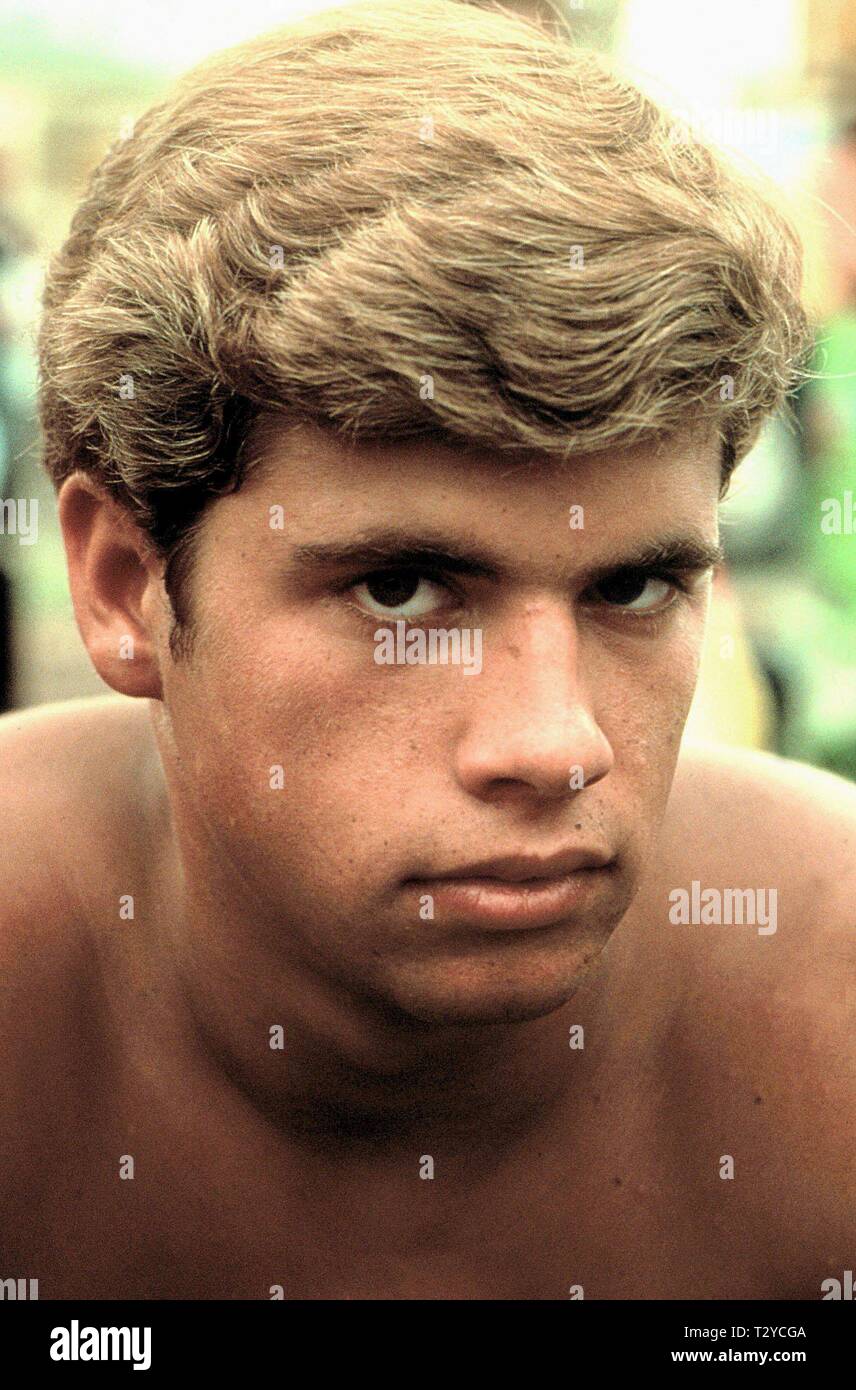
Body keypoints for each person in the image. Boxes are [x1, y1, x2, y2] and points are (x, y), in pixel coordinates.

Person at [1, 0, 853, 1300]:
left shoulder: (830, 1013)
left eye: (632, 585)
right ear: (126, 584)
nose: (553, 743)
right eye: (402, 590)